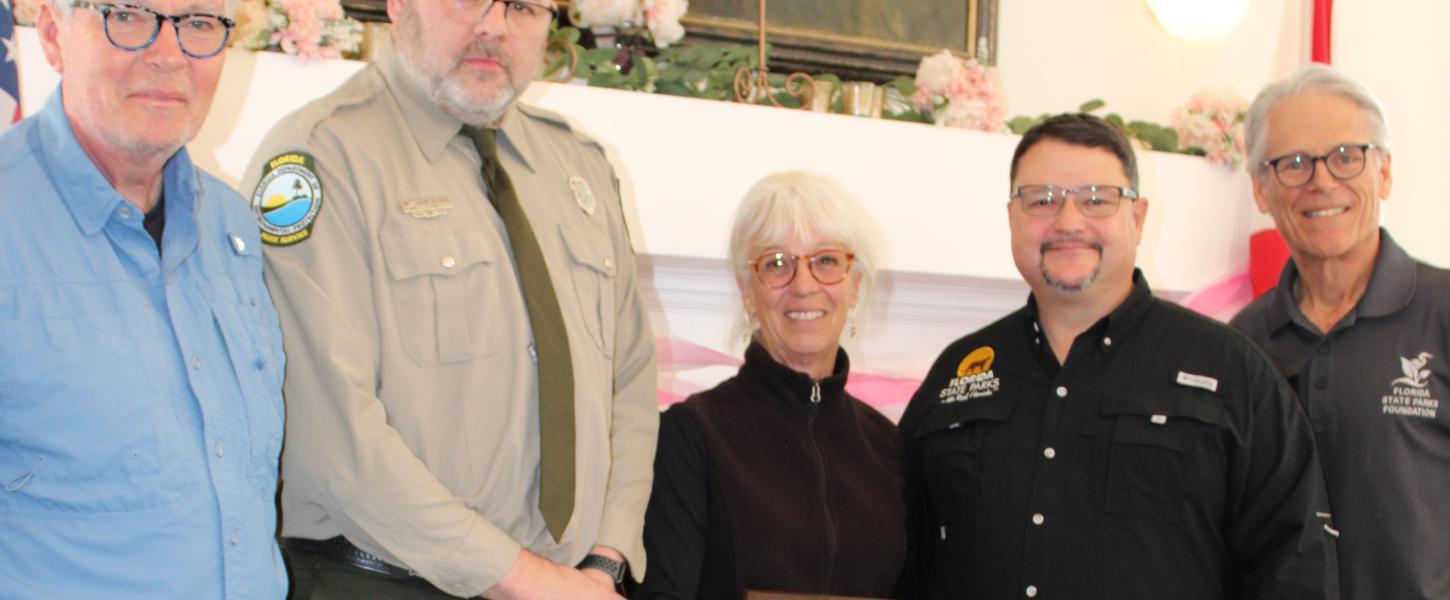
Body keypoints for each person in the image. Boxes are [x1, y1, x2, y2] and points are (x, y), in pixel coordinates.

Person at [240, 0, 658, 596]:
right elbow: (331, 438)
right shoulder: (319, 158)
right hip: (378, 580)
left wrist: (607, 558)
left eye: (522, 6)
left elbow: (632, 382)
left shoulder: (581, 166)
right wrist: (528, 582)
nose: (494, 25)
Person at [899, 114, 1338, 599]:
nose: (1068, 221)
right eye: (1042, 199)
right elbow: (901, 555)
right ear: (1012, 218)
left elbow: (1296, 565)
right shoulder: (956, 375)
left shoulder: (1233, 370)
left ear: (1138, 217)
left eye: (1096, 199)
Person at [0, 0, 286, 596]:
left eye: (199, 24)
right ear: (52, 34)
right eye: (127, 15)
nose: (168, 54)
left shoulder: (231, 226)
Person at [1230, 65, 1450, 599]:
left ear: (1385, 172)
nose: (1322, 181)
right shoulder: (1241, 343)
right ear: (1262, 188)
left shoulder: (1442, 311)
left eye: (1347, 156)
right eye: (1294, 164)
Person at [636, 171, 906, 600]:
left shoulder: (890, 449)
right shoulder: (690, 436)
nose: (803, 286)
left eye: (826, 261)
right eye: (776, 263)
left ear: (854, 286)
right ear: (748, 290)